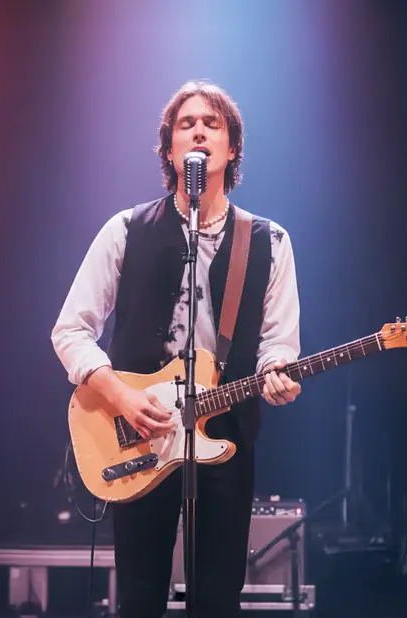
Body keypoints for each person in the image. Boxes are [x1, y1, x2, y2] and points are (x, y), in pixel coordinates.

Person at [51, 80, 302, 618]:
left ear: (232, 148)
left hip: (225, 433)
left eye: (212, 124)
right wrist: (118, 396)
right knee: (140, 597)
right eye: (186, 124)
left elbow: (278, 344)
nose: (199, 131)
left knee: (217, 598)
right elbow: (70, 330)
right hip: (139, 434)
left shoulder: (269, 241)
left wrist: (277, 373)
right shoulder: (125, 229)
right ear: (169, 149)